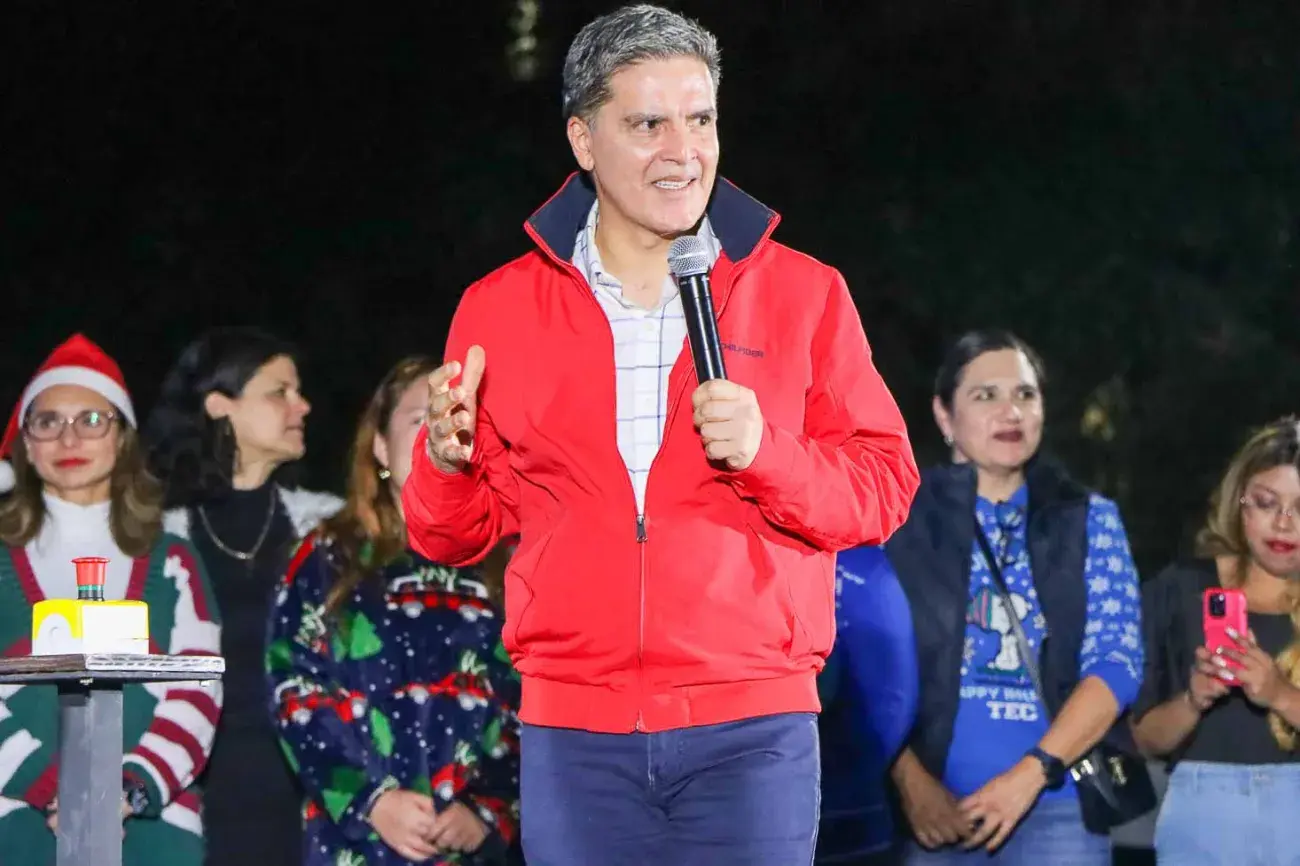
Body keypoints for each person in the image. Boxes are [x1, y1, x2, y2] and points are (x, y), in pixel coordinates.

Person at [402, 5, 919, 864]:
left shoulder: (804, 293)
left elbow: (885, 488)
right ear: (583, 139)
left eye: (700, 120)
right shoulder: (497, 309)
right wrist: (444, 463)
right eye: (648, 125)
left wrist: (767, 453)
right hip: (574, 737)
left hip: (753, 731)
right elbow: (448, 537)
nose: (684, 152)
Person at [886, 330, 1143, 864]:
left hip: (1058, 811)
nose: (1012, 411)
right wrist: (908, 777)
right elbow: (861, 664)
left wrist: (1031, 774)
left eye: (1026, 394)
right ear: (943, 415)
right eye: (986, 395)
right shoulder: (898, 519)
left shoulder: (1088, 519)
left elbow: (1116, 662)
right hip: (932, 813)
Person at [267, 356, 520, 865]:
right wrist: (370, 802)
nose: (437, 433)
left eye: (453, 417)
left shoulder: (508, 562)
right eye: (420, 418)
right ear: (381, 446)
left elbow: (536, 699)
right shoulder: (326, 557)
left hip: (470, 849)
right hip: (356, 845)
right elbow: (293, 688)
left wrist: (489, 810)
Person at [0, 334, 221, 865]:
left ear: (123, 438)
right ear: (27, 443)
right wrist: (57, 788)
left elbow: (198, 689)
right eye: (47, 421)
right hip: (17, 824)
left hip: (153, 827)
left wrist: (126, 790)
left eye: (92, 420)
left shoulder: (173, 559)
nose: (68, 437)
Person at [144, 327, 342, 865]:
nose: (302, 405)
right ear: (218, 406)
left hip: (311, 797)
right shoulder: (158, 539)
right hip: (196, 797)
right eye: (280, 392)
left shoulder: (330, 531)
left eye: (298, 391)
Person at [1132, 417, 1300, 862]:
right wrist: (1194, 699)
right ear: (1239, 502)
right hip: (1200, 819)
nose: (1284, 523)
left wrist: (1281, 695)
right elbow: (1143, 739)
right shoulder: (1181, 589)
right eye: (1267, 503)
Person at [817, 545, 919, 865]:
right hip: (850, 805)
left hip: (853, 812)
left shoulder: (866, 567)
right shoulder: (869, 567)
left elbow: (893, 695)